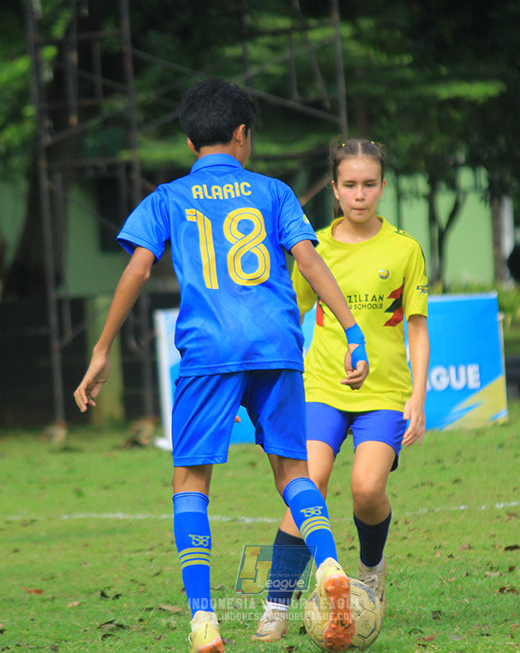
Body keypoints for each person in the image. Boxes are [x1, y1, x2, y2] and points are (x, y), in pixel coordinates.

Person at [73, 79, 370, 653]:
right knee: (294, 473)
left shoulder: (167, 198)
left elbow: (138, 270)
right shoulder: (275, 192)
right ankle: (330, 565)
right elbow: (309, 262)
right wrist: (352, 332)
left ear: (190, 143)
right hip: (277, 344)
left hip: (209, 351)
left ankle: (205, 621)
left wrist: (101, 349)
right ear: (241, 134)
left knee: (191, 483)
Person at [252, 138, 430, 641]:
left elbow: (417, 327)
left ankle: (370, 571)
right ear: (334, 188)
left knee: (367, 489)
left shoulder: (404, 249)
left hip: (384, 393)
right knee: (307, 484)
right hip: (322, 389)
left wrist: (418, 396)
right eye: (349, 185)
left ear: (383, 186)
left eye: (369, 184)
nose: (359, 194)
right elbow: (292, 313)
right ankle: (276, 604)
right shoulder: (315, 248)